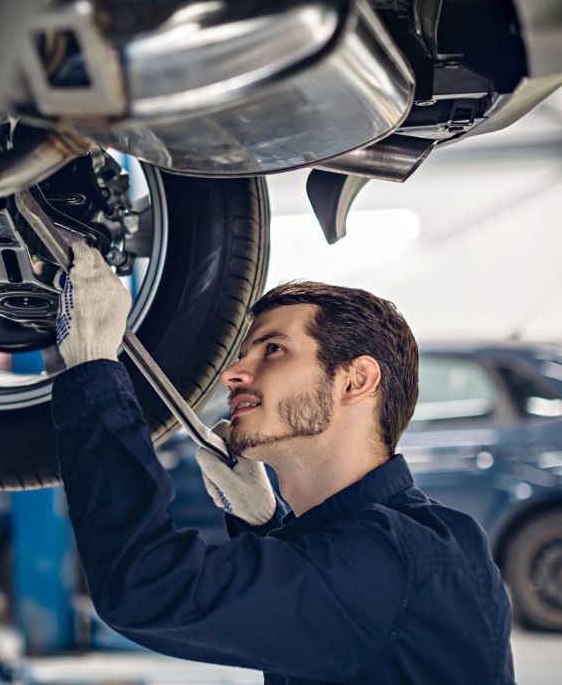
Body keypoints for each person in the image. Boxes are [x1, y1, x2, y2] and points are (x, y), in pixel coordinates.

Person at [51, 241, 515, 684]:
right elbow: (319, 596)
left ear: (356, 380)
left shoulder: (395, 559)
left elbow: (145, 587)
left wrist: (94, 367)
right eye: (243, 355)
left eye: (274, 349)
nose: (233, 374)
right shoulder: (413, 541)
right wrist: (265, 522)